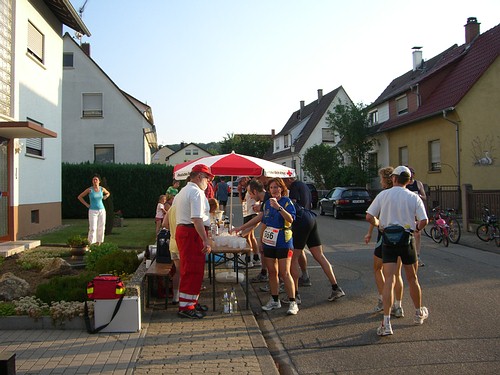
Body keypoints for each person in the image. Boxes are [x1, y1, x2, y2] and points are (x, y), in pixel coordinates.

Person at [366, 166, 429, 336]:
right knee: (412, 278)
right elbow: (424, 220)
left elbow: (369, 216)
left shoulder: (383, 195)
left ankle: (386, 323)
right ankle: (418, 313)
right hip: (406, 240)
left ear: (393, 179)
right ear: (408, 180)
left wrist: (381, 226)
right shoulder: (413, 197)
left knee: (388, 280)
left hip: (388, 242)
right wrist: (415, 228)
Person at [284, 177, 345, 304]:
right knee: (319, 256)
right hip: (310, 217)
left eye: (284, 182)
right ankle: (336, 287)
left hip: (300, 220)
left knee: (292, 258)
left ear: (288, 180)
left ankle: (295, 295)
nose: (284, 185)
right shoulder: (305, 186)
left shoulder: (294, 186)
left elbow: (292, 205)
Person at [173, 164, 213, 319]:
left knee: (192, 268)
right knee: (192, 269)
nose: (208, 182)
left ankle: (191, 301)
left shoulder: (184, 191)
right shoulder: (196, 192)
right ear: (199, 177)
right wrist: (205, 240)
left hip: (185, 230)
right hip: (191, 232)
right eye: (207, 178)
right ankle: (186, 306)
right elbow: (196, 219)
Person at [364, 167, 404, 317]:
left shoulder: (383, 195)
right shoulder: (404, 194)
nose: (380, 181)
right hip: (401, 235)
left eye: (381, 178)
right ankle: (398, 306)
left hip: (385, 236)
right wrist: (369, 232)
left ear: (387, 179)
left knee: (378, 268)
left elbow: (371, 216)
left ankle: (383, 299)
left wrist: (377, 226)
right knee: (397, 273)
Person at [78, 174, 110, 245]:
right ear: (92, 181)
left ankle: (99, 243)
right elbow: (80, 197)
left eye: (96, 179)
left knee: (101, 227)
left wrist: (106, 196)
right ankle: (90, 244)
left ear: (99, 181)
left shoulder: (102, 189)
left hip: (102, 210)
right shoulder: (90, 190)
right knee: (93, 228)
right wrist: (87, 205)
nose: (95, 181)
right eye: (93, 180)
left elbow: (108, 193)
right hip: (93, 211)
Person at [407, 167, 427, 267]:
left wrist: (418, 196)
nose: (409, 175)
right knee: (406, 232)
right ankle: (405, 256)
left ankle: (417, 256)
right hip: (406, 212)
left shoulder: (418, 184)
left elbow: (424, 197)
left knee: (417, 234)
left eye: (411, 173)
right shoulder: (403, 184)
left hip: (416, 212)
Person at [239, 177, 261, 268]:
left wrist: (257, 204)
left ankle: (248, 260)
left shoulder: (252, 186)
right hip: (246, 213)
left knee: (247, 236)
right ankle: (256, 258)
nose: (240, 183)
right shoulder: (246, 189)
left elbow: (259, 197)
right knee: (251, 236)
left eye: (241, 181)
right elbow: (242, 202)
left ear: (246, 179)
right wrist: (240, 192)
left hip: (252, 214)